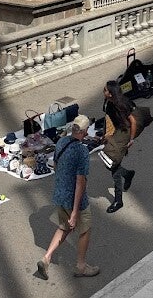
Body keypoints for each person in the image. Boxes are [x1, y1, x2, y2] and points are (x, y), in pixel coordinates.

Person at [37, 114, 99, 279]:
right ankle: (81, 266)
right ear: (84, 131)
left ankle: (46, 258)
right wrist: (75, 212)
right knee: (85, 229)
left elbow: (56, 166)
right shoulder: (81, 151)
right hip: (74, 199)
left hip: (60, 194)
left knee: (64, 227)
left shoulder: (62, 142)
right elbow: (80, 182)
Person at [100, 81, 137, 214]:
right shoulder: (108, 102)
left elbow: (133, 121)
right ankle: (127, 174)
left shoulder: (121, 104)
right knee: (111, 164)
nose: (103, 91)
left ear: (110, 93)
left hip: (122, 135)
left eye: (105, 90)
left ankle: (118, 200)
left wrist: (131, 139)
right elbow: (108, 120)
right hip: (114, 134)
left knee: (113, 166)